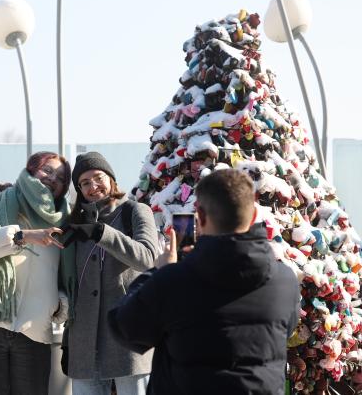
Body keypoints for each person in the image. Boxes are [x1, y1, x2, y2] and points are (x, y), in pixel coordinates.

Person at [108, 169, 300, 395]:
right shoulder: (285, 279)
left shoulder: (172, 281)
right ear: (253, 215)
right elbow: (284, 330)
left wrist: (156, 273)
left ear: (200, 215)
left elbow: (125, 328)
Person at [0, 151, 72, 395]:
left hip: (33, 331)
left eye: (61, 178)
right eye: (47, 170)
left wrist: (58, 303)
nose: (52, 179)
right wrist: (21, 236)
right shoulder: (2, 200)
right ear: (32, 169)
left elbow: (66, 275)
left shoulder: (66, 221)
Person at [60, 151, 160, 395]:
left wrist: (103, 234)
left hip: (127, 337)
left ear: (111, 178)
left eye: (98, 177)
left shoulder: (134, 211)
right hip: (83, 343)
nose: (93, 187)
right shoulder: (73, 225)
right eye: (84, 183)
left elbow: (147, 258)